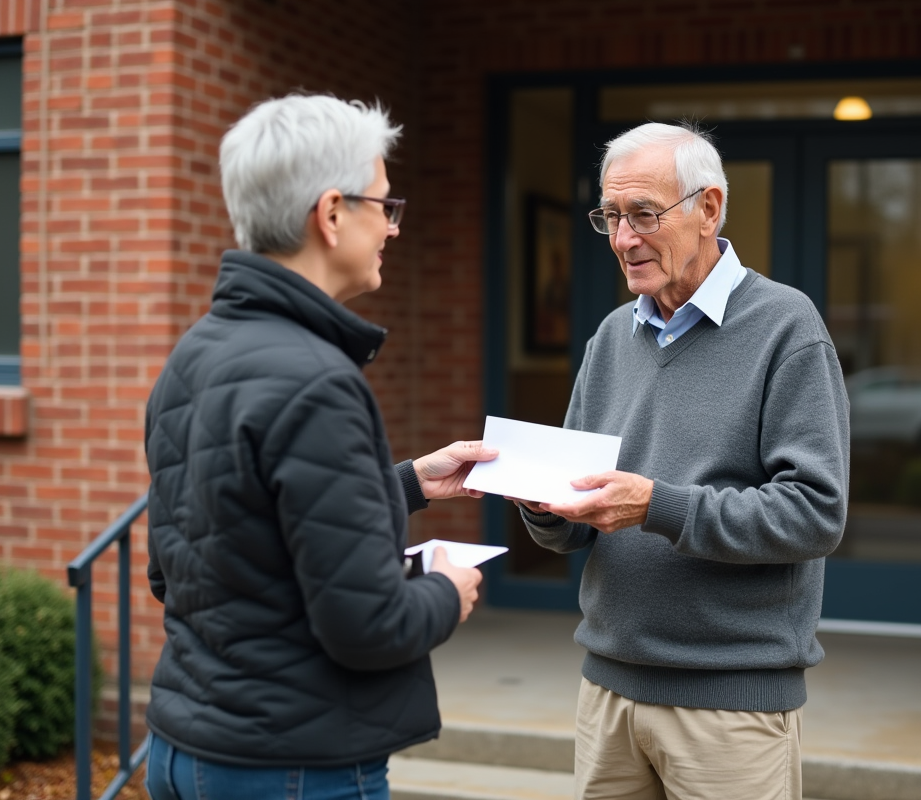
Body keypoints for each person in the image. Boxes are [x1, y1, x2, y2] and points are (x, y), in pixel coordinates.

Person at [142, 94, 494, 800]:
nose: (393, 227)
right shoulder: (317, 381)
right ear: (332, 214)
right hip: (293, 768)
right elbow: (370, 626)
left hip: (186, 750)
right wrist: (446, 592)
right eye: (385, 206)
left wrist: (407, 483)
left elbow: (194, 558)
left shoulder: (195, 354)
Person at [514, 123, 850, 800]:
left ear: (709, 209)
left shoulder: (787, 327)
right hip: (607, 691)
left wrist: (656, 506)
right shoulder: (612, 336)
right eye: (610, 216)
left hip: (729, 704)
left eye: (644, 214)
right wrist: (539, 500)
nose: (623, 239)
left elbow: (815, 514)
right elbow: (574, 524)